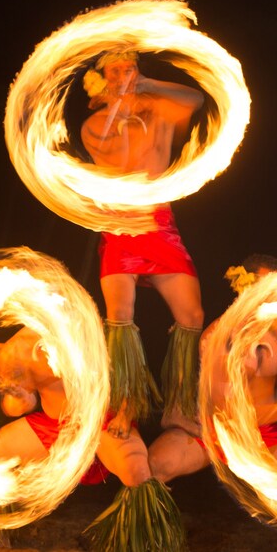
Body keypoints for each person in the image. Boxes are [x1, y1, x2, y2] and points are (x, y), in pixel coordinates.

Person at [0, 326, 185, 552]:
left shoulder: (84, 326)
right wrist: (17, 394)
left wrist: (124, 416)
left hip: (102, 422)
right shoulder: (16, 348)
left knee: (136, 470)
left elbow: (131, 379)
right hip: (56, 426)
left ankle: (146, 542)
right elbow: (18, 406)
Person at [80, 49, 206, 438]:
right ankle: (123, 408)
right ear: (101, 83)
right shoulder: (95, 125)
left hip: (159, 225)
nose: (123, 75)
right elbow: (106, 149)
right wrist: (115, 106)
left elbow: (196, 99)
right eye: (114, 71)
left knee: (192, 317)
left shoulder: (161, 115)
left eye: (129, 68)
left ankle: (179, 408)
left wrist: (147, 87)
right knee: (121, 319)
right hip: (120, 227)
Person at [148, 253, 277, 484]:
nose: (268, 297)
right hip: (212, 429)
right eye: (260, 288)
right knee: (155, 466)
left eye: (274, 290)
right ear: (241, 287)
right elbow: (229, 412)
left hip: (261, 430)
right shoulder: (218, 335)